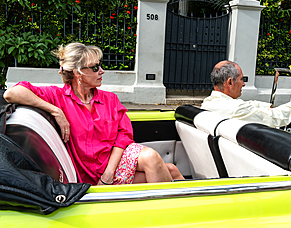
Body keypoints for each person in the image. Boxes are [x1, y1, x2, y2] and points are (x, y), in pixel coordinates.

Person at [4, 42, 184, 185]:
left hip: (113, 167)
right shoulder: (57, 97)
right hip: (87, 175)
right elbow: (12, 93)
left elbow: (124, 136)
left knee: (165, 166)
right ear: (78, 73)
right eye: (95, 67)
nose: (102, 71)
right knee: (168, 169)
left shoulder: (110, 99)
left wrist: (108, 174)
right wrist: (56, 111)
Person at [201, 60, 291, 128]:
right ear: (230, 82)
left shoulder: (208, 103)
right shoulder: (236, 109)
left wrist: (265, 106)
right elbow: (277, 117)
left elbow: (247, 105)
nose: (244, 84)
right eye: (242, 79)